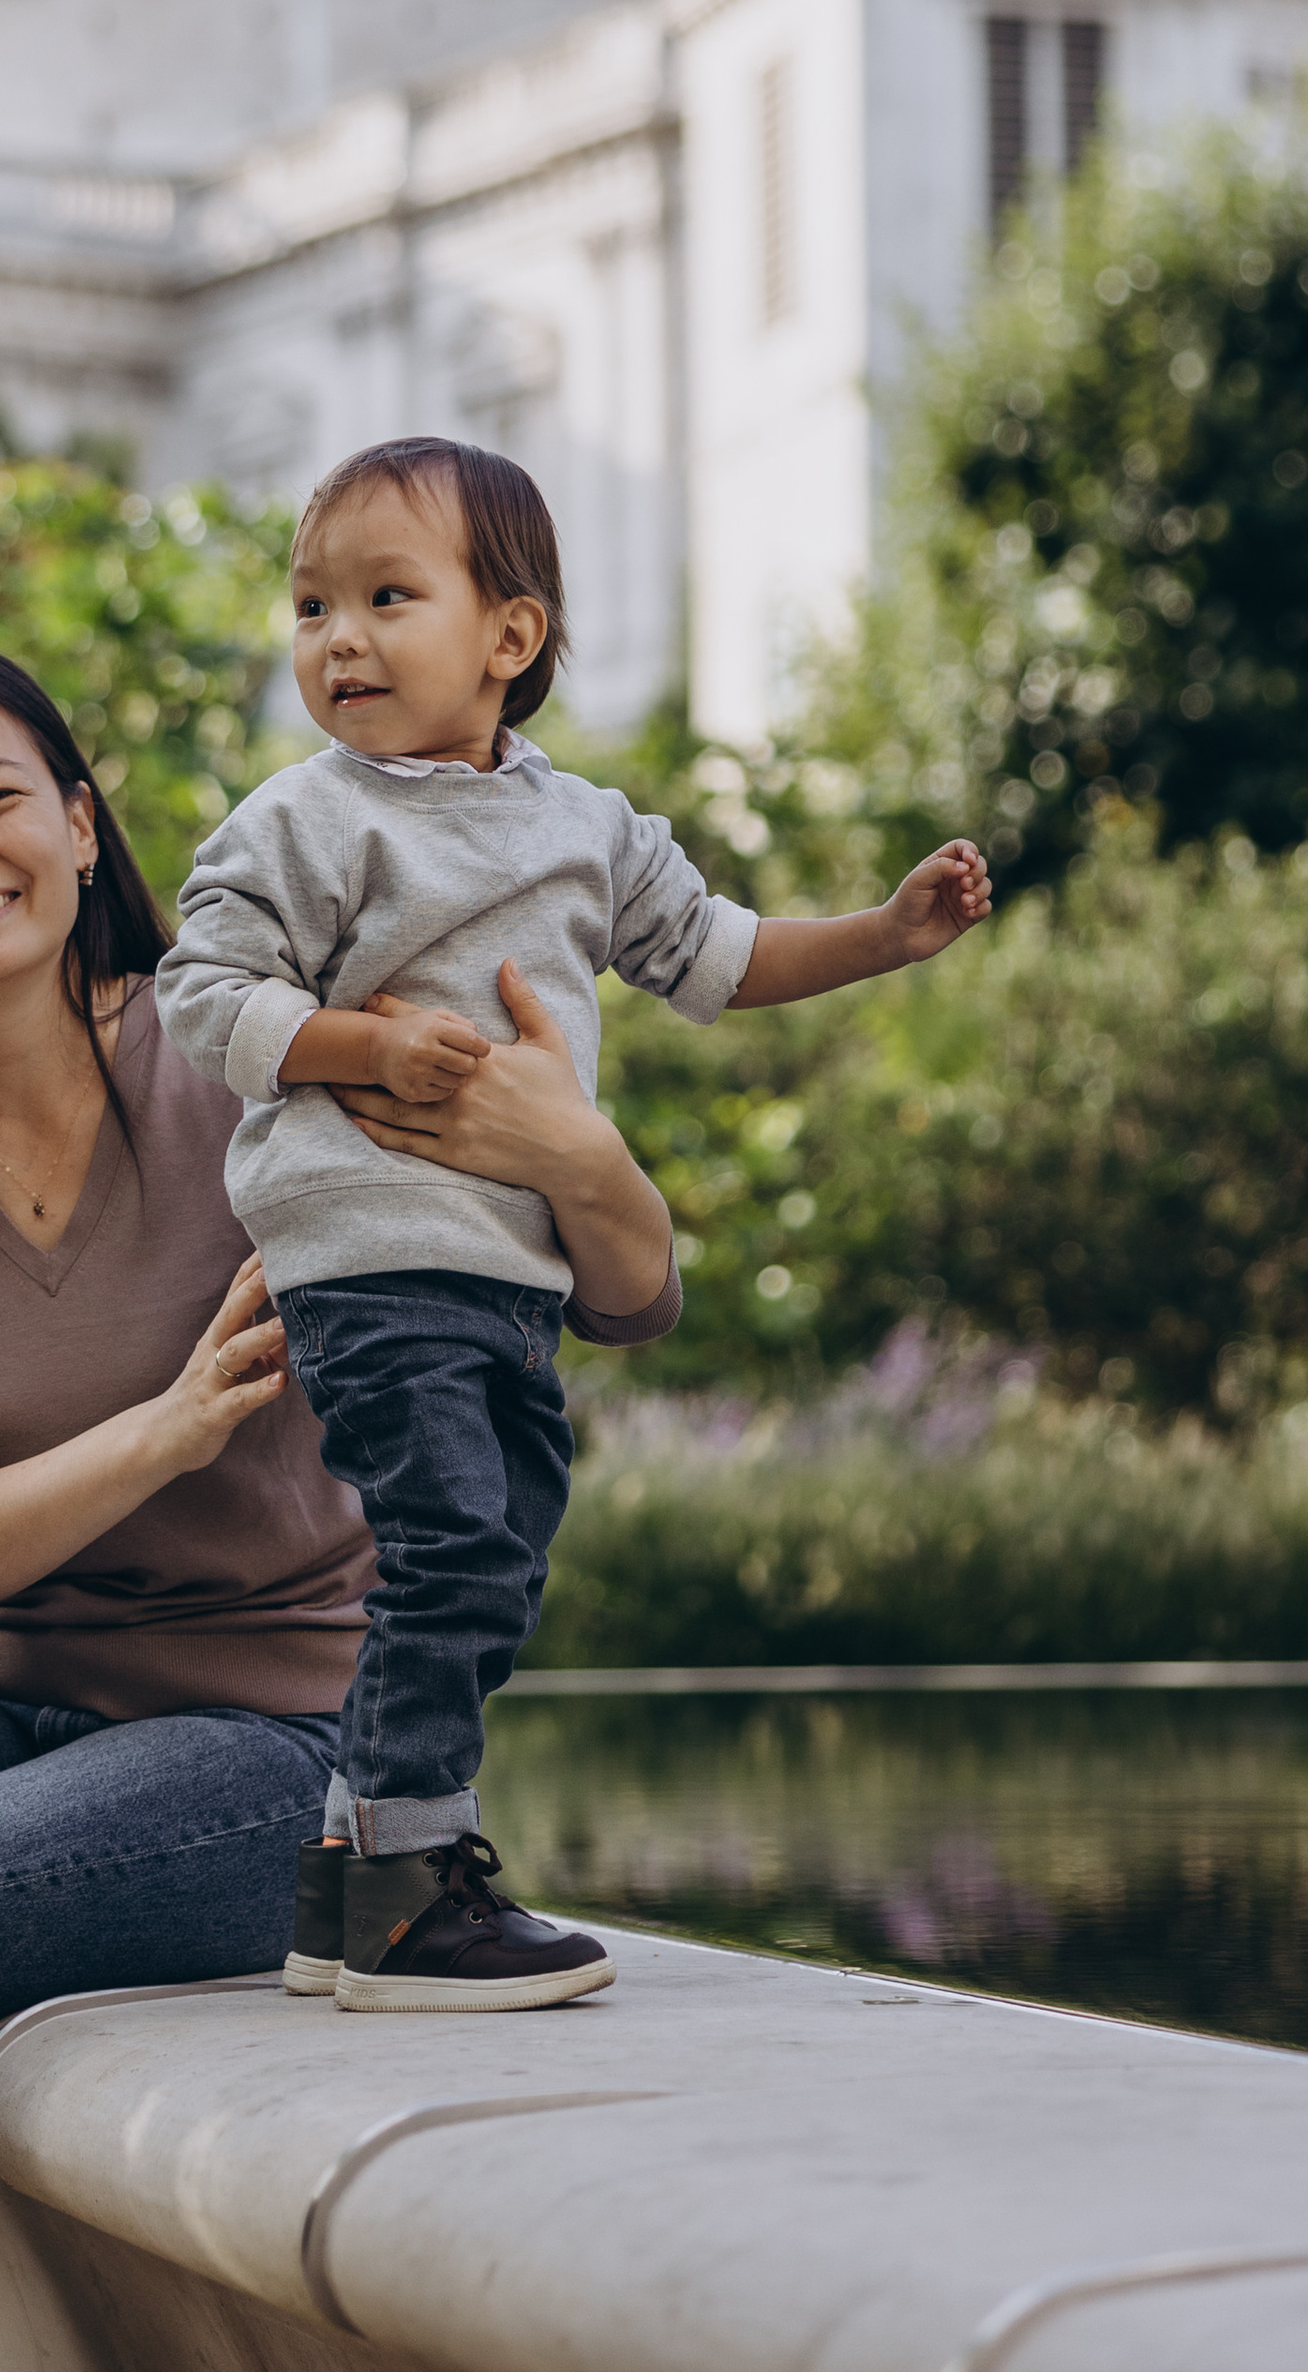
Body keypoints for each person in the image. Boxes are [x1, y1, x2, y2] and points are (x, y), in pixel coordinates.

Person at [0, 636, 682, 2372]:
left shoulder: (262, 1060)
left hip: (263, 1750)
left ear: (84, 831)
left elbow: (621, 1296)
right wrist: (160, 1436)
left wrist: (582, 1156)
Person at [157, 434, 993, 2013]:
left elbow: (721, 955)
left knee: (494, 1542)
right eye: (311, 606)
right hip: (368, 1244)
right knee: (456, 1545)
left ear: (509, 635)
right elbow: (196, 992)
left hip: (505, 1267)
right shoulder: (305, 820)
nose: (337, 639)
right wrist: (358, 1048)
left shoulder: (592, 827)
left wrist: (886, 935)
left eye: (384, 597)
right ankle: (415, 1890)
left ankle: (342, 1885)